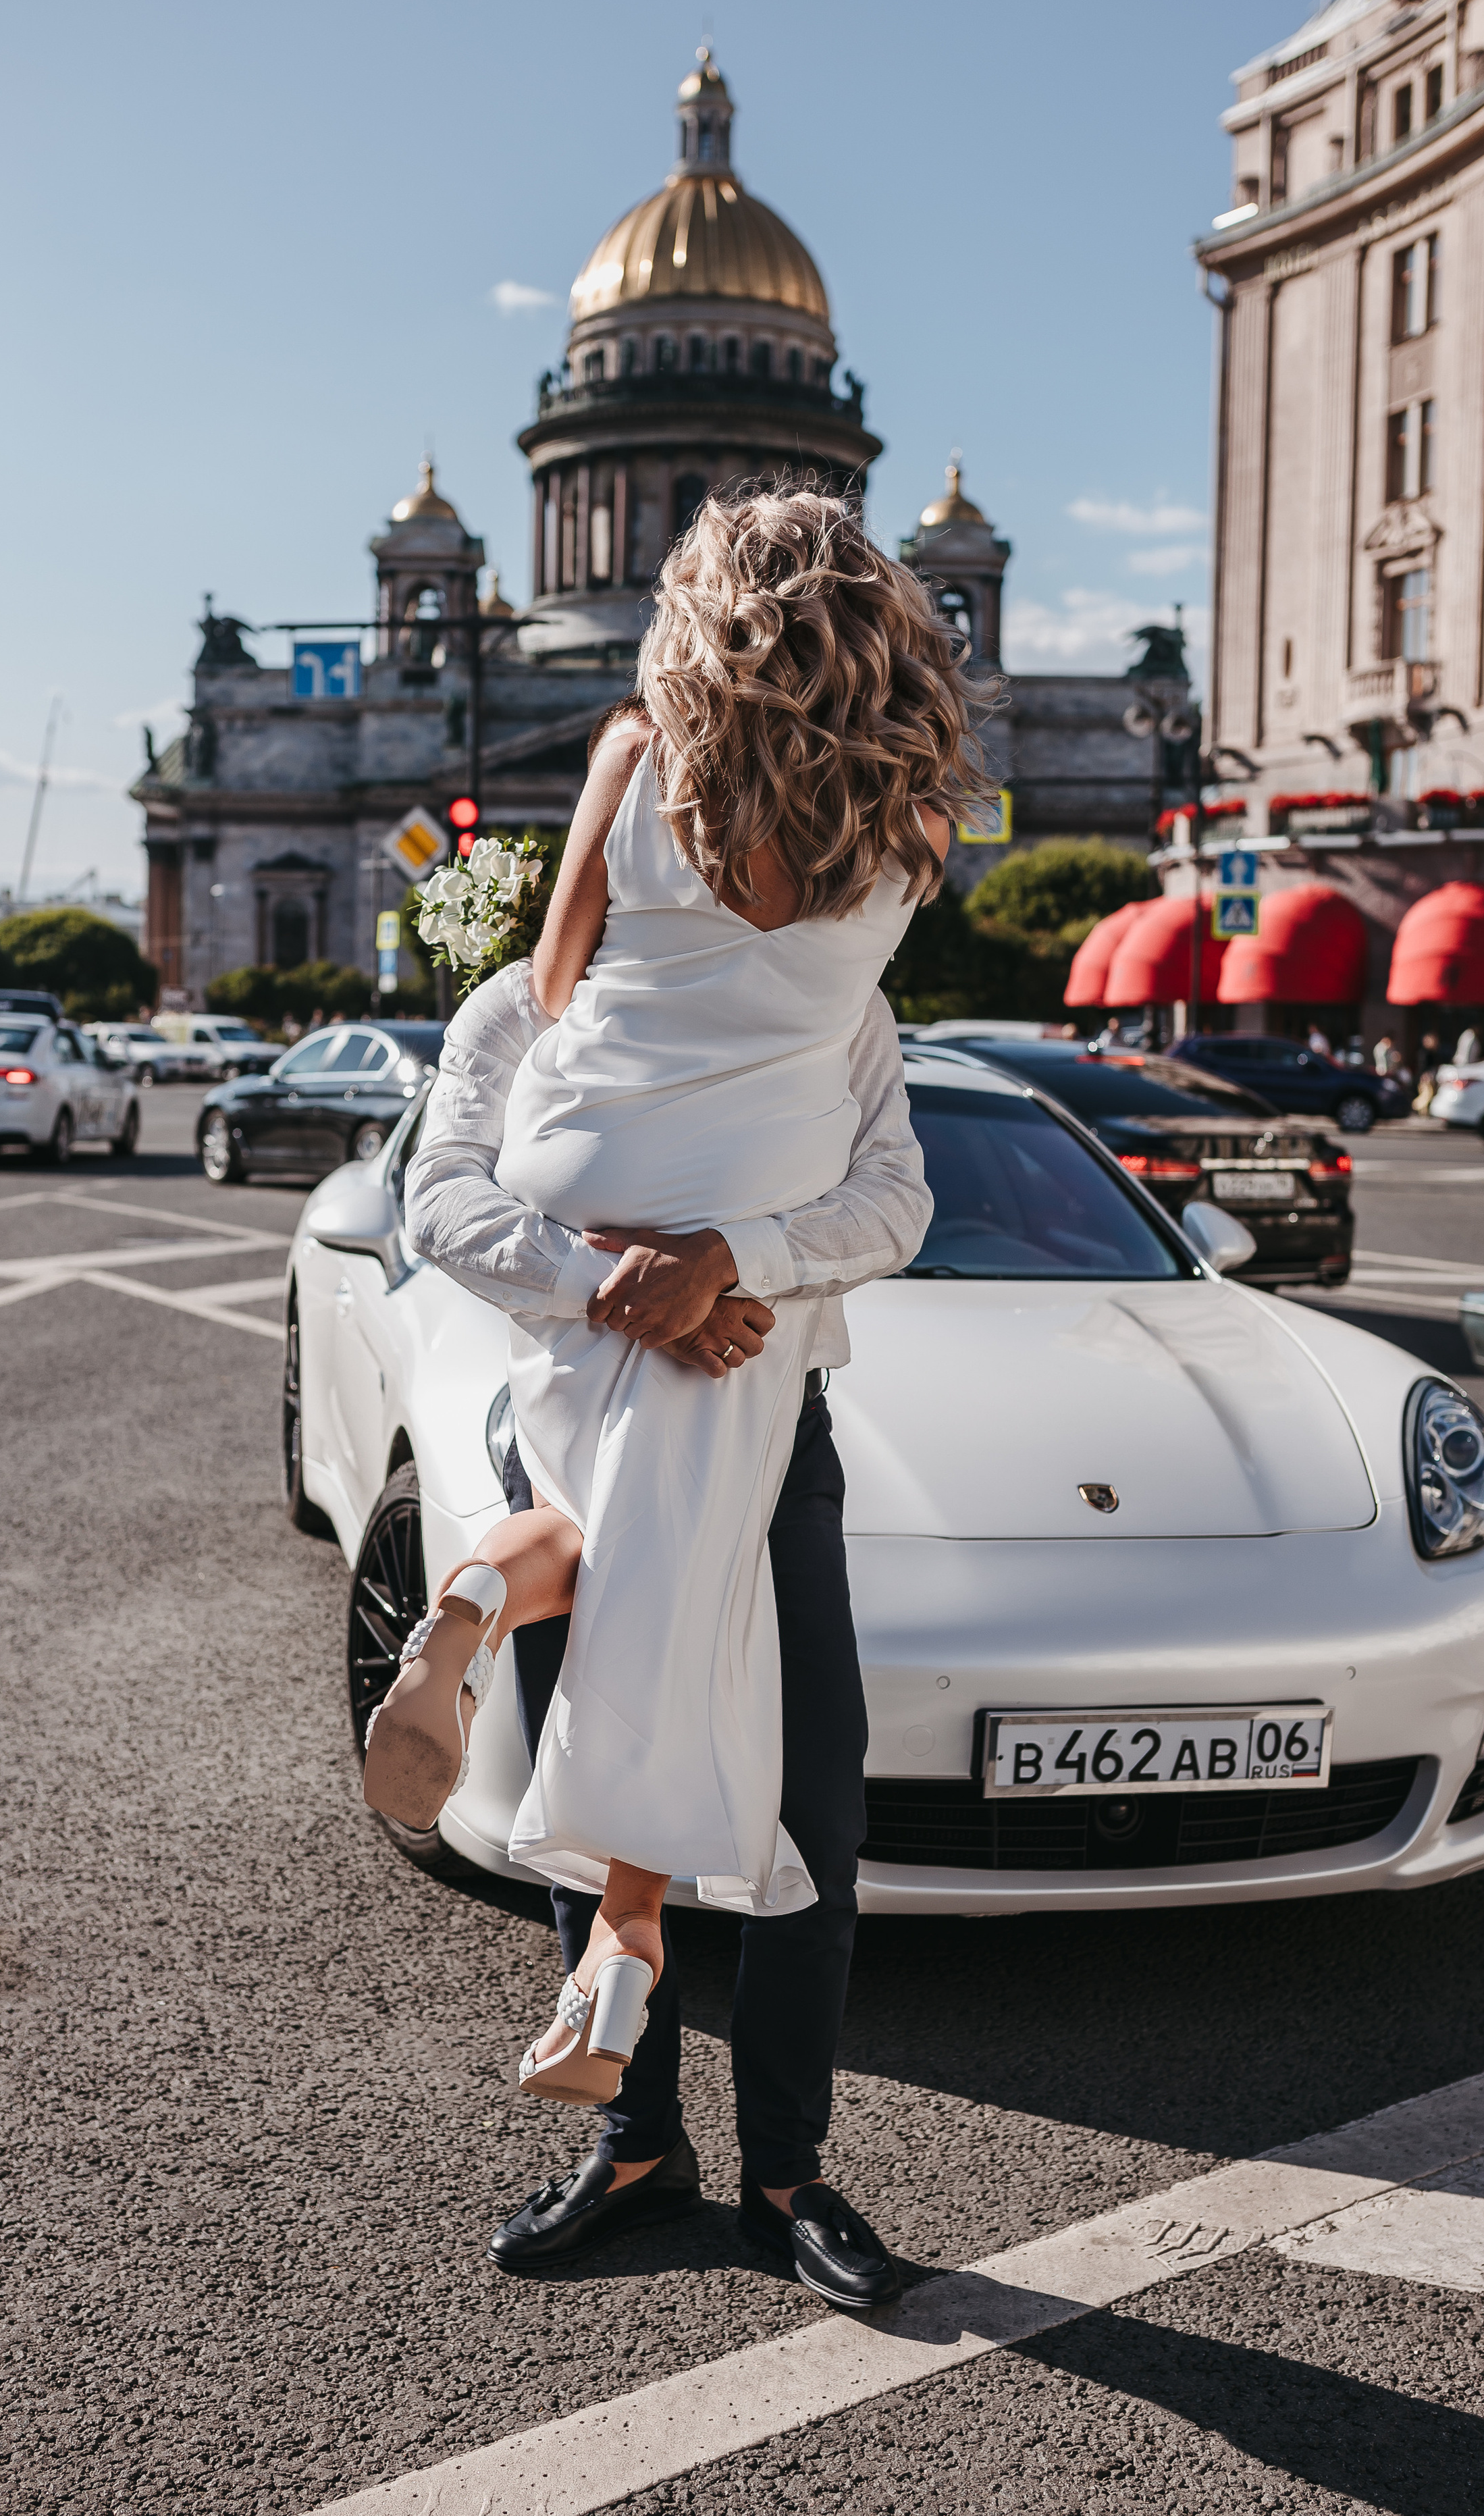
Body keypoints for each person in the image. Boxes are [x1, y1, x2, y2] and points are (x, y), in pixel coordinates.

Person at [402, 934, 930, 2303]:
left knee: (813, 1808)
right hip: (580, 1440)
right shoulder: (522, 1001)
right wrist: (625, 1290)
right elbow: (439, 1203)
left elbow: (894, 1204)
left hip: (770, 1446)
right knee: (595, 1785)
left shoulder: (835, 998)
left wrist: (729, 1260)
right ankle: (638, 2153)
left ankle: (784, 2178)